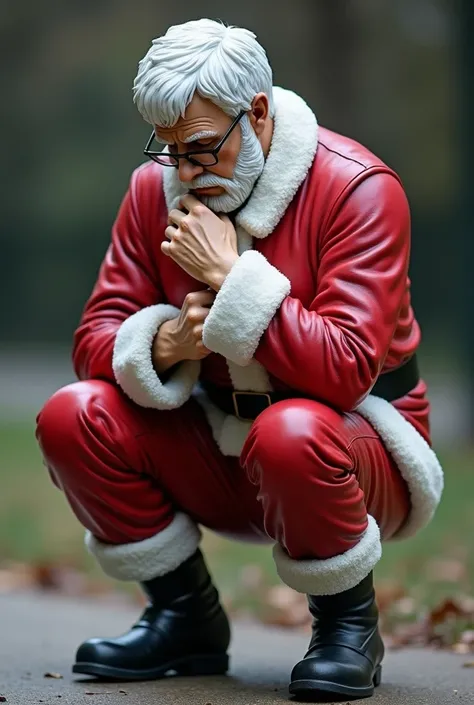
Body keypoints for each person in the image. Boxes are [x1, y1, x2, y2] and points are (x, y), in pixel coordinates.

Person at [36, 18, 443, 701]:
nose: (185, 174)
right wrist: (170, 343)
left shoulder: (358, 187)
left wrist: (233, 283)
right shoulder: (154, 190)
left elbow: (347, 369)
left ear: (255, 112)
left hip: (356, 450)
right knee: (71, 416)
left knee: (291, 430)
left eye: (200, 149)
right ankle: (183, 615)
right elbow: (93, 340)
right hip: (220, 446)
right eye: (168, 151)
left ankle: (349, 625)